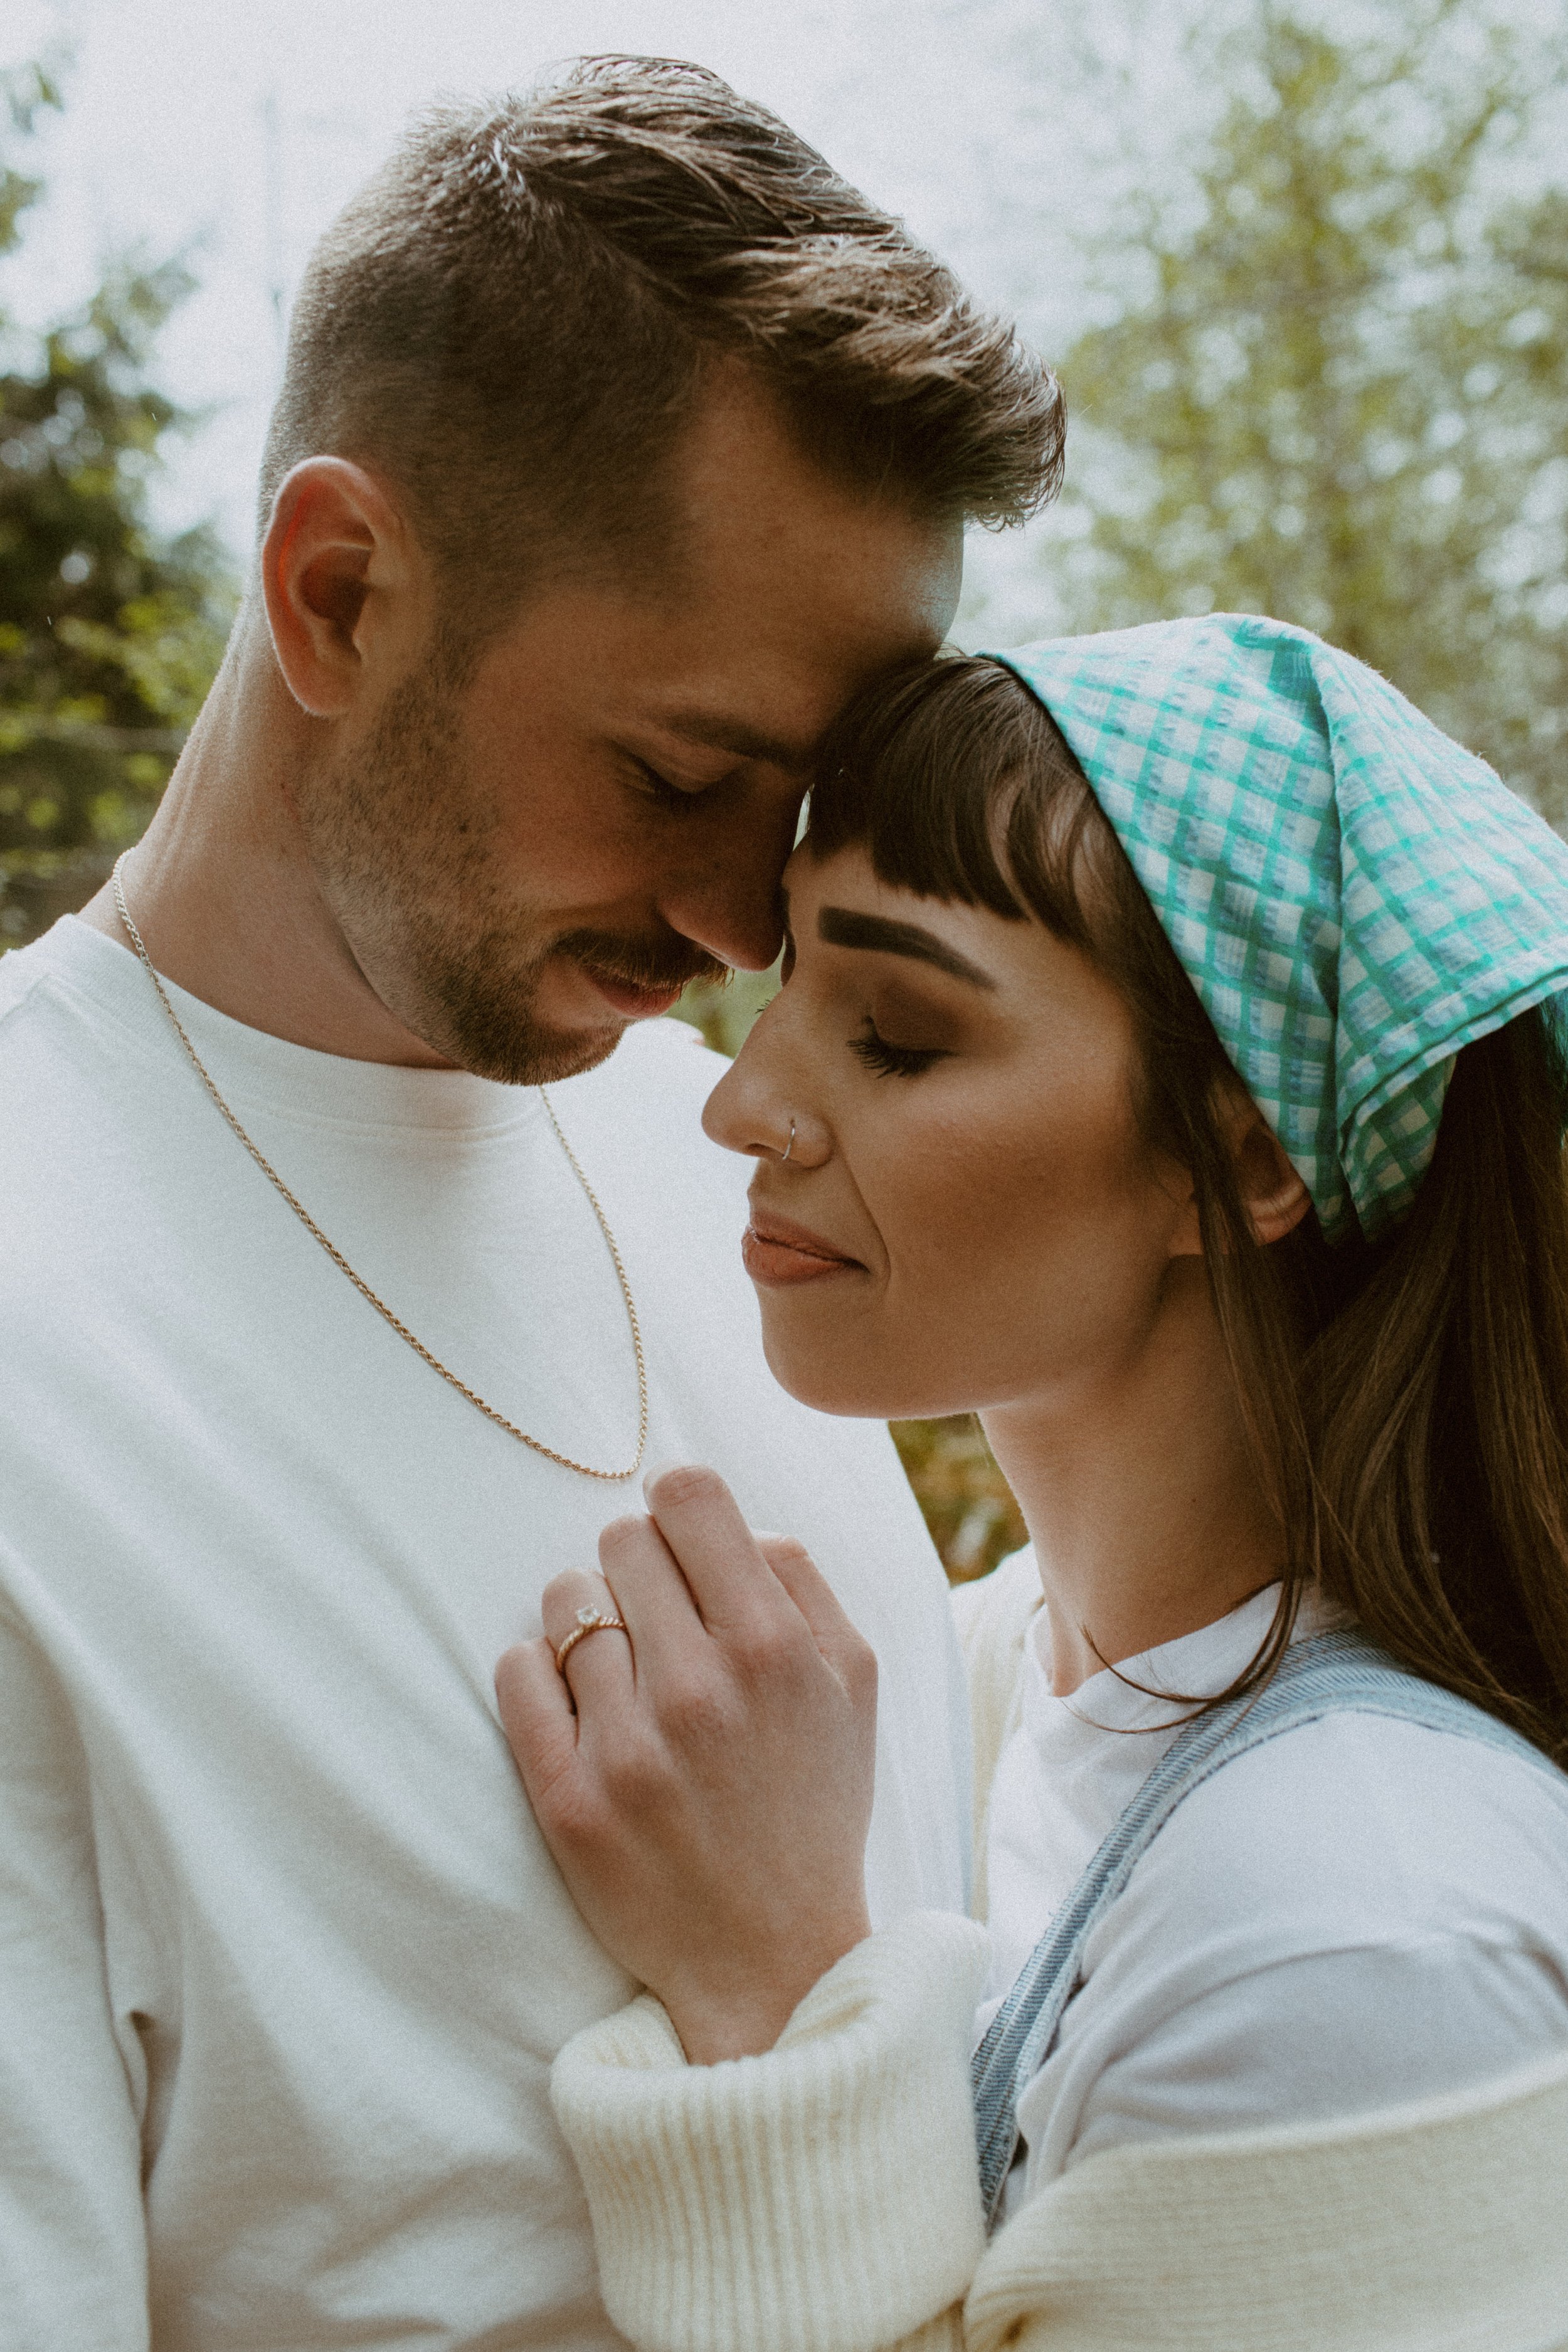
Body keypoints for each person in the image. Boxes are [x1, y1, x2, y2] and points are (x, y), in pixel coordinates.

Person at [0, 57, 1063, 2349]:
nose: (746, 921)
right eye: (680, 777)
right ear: (338, 591)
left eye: (802, 807)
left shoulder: (743, 1197)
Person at [500, 618, 1568, 2351]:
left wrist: (772, 1999)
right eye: (783, 993)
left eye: (898, 1035)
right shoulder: (1007, 1679)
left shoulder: (1363, 1936)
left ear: (1238, 1154)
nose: (744, 1101)